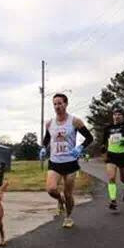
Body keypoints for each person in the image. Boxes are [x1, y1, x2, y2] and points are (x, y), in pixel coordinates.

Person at [39, 93, 94, 228]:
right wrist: (43, 148)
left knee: (68, 194)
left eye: (60, 103)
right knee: (51, 189)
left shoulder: (75, 121)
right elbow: (47, 139)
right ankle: (60, 200)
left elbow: (89, 138)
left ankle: (68, 217)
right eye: (55, 104)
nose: (57, 106)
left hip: (70, 162)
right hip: (55, 162)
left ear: (66, 104)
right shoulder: (49, 123)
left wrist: (80, 147)